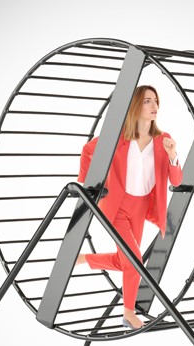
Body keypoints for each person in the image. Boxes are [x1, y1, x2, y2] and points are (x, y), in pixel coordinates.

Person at [76, 85, 183, 329]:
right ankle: (128, 313)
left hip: (141, 208)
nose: (154, 106)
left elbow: (176, 181)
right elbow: (87, 150)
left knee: (126, 260)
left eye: (156, 100)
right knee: (134, 260)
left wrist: (173, 155)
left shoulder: (163, 139)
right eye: (147, 101)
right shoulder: (119, 136)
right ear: (136, 105)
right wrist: (90, 187)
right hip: (116, 206)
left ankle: (83, 259)